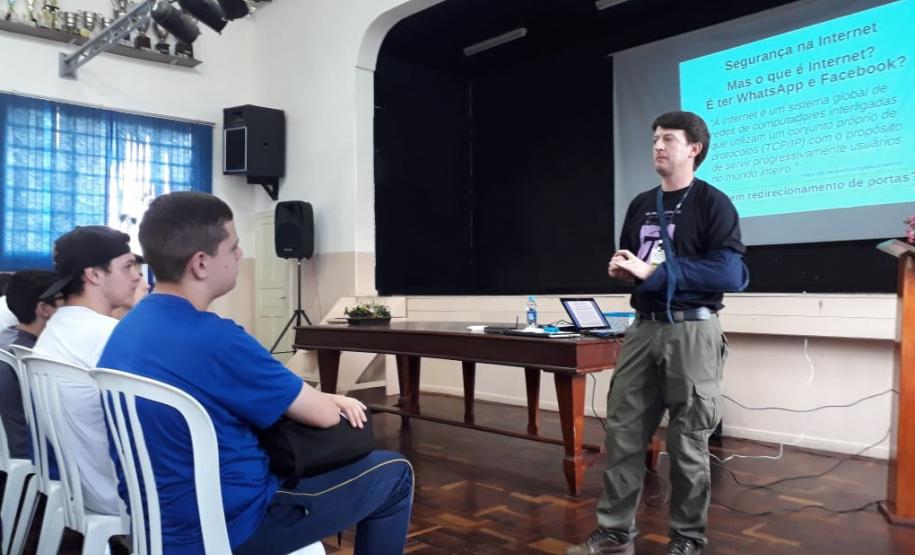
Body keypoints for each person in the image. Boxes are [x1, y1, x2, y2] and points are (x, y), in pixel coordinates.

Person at [99, 191, 414, 555]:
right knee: (394, 474)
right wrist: (335, 399)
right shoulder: (218, 340)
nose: (240, 255)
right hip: (236, 526)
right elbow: (325, 415)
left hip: (159, 523)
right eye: (233, 247)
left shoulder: (127, 328)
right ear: (201, 264)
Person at [567, 111, 747, 555]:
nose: (658, 147)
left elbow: (732, 271)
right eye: (654, 140)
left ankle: (686, 539)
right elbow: (637, 260)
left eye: (669, 138)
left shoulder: (713, 203)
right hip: (642, 330)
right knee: (622, 433)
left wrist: (656, 271)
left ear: (694, 148)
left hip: (693, 332)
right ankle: (613, 533)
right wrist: (625, 270)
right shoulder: (641, 203)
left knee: (688, 443)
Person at [33, 226, 143, 515]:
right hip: (126, 494)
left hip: (86, 489)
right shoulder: (107, 335)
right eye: (128, 267)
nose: (137, 276)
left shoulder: (57, 327)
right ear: (93, 275)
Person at [0, 270, 60, 458]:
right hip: (30, 455)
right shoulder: (32, 358)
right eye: (63, 301)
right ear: (44, 309)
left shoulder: (6, 340)